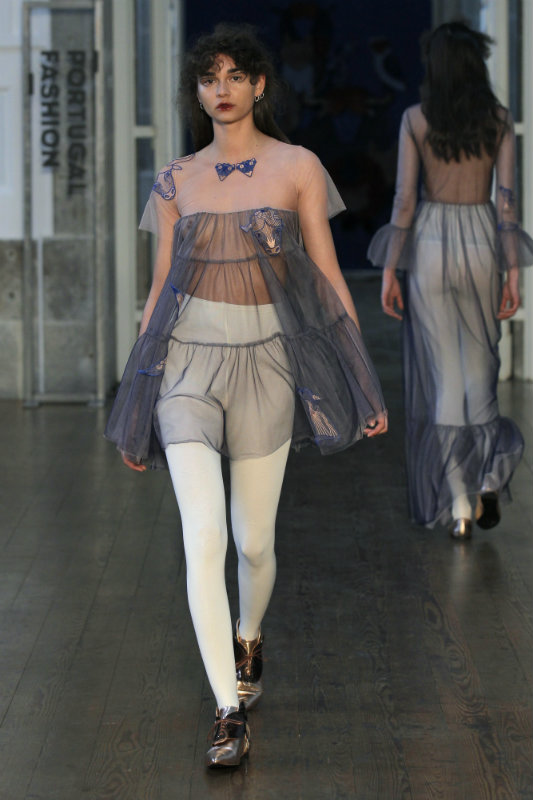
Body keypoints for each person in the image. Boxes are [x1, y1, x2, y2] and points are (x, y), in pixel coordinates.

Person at [105, 23, 387, 768]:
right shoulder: (176, 179)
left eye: (235, 75)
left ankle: (249, 637)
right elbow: (160, 289)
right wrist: (137, 396)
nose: (221, 89)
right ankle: (228, 710)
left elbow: (327, 280)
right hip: (185, 368)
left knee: (254, 542)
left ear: (260, 85)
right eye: (208, 78)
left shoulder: (298, 166)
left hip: (267, 364)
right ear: (196, 92)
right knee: (203, 538)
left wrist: (360, 377)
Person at [367, 21, 533, 540]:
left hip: (431, 244)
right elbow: (508, 203)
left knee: (444, 377)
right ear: (477, 66)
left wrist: (390, 268)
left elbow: (404, 201)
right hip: (482, 239)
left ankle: (459, 506)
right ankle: (488, 477)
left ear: (434, 67)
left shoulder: (415, 120)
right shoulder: (499, 120)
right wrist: (513, 273)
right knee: (480, 368)